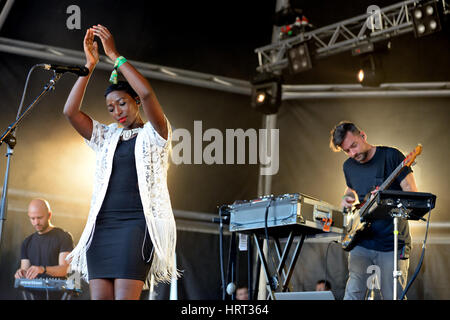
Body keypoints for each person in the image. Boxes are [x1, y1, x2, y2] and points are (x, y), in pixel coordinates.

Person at [63, 25, 178, 300]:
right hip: (101, 226)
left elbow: (149, 94)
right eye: (111, 108)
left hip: (136, 226)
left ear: (135, 101)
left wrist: (114, 55)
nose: (117, 112)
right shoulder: (106, 136)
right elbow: (70, 111)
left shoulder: (155, 134)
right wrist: (89, 66)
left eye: (122, 103)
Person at [330, 121, 418, 300]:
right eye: (347, 150)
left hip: (391, 243)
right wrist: (346, 199)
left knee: (392, 295)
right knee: (353, 293)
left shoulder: (391, 156)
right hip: (362, 241)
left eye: (354, 145)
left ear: (363, 135)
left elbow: (413, 196)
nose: (353, 153)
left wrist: (386, 198)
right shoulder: (348, 166)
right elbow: (351, 190)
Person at [14, 199, 74, 299]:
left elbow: (66, 269)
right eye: (32, 218)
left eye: (40, 218)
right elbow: (24, 269)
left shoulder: (63, 237)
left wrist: (43, 269)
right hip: (35, 294)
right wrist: (20, 273)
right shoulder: (27, 242)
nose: (36, 222)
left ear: (49, 215)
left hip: (59, 295)